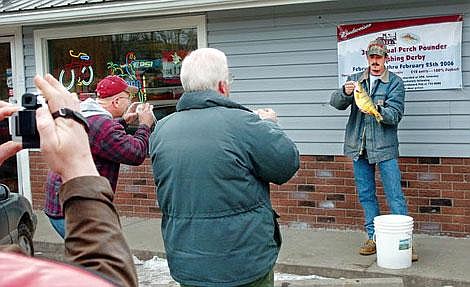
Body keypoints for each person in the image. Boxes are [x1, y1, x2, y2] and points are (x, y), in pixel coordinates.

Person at [149, 48, 300, 287]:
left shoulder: (162, 130)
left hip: (187, 261)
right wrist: (270, 126)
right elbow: (286, 165)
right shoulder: (245, 123)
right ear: (222, 86)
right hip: (243, 263)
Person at [0, 74, 137, 286]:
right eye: (129, 98)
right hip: (68, 206)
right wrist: (77, 165)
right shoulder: (16, 274)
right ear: (117, 101)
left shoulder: (96, 117)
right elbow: (103, 276)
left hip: (56, 204)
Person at [330, 38, 417, 261]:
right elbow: (336, 103)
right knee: (367, 194)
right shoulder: (355, 80)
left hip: (385, 149)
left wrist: (376, 109)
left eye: (379, 57)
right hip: (359, 148)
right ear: (367, 59)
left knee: (394, 195)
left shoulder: (395, 83)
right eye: (372, 57)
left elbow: (395, 115)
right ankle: (374, 238)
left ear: (386, 59)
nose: (375, 61)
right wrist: (345, 92)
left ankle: (404, 243)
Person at [44, 75, 155, 238]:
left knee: (94, 255)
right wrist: (145, 124)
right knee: (99, 257)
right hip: (77, 209)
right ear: (116, 101)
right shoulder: (103, 125)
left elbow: (102, 141)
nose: (130, 101)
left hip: (63, 203)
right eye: (128, 97)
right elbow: (135, 153)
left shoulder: (86, 114)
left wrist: (122, 122)